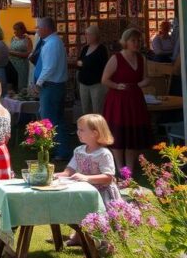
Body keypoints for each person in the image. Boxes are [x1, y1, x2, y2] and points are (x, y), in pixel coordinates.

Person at [55, 114, 120, 247]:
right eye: (78, 129)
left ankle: (106, 243)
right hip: (84, 191)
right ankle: (79, 237)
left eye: (82, 130)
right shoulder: (79, 150)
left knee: (101, 218)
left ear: (95, 133)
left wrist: (86, 178)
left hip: (102, 193)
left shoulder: (103, 153)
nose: (78, 132)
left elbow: (108, 177)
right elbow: (69, 171)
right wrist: (55, 175)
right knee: (80, 214)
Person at [101, 27, 152, 174]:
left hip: (135, 100)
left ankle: (129, 169)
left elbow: (146, 78)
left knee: (133, 135)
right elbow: (104, 79)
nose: (136, 43)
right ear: (125, 42)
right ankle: (120, 167)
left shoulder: (142, 58)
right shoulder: (116, 58)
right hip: (118, 101)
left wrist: (140, 84)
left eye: (138, 40)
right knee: (119, 134)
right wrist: (117, 85)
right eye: (133, 40)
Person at [31, 16, 71, 161]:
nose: (37, 30)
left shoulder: (51, 44)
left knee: (51, 119)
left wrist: (38, 83)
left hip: (51, 86)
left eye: (39, 28)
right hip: (54, 86)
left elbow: (49, 67)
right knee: (56, 118)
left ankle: (60, 151)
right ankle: (58, 149)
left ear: (46, 28)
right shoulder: (52, 42)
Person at [76, 25, 109, 115]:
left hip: (96, 85)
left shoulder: (101, 49)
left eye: (88, 34)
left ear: (95, 35)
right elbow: (79, 62)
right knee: (85, 110)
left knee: (97, 110)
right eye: (86, 34)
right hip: (83, 83)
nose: (86, 36)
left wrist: (84, 64)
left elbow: (101, 66)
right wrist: (84, 64)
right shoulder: (85, 48)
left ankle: (97, 128)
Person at [9, 22, 34, 92]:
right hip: (12, 64)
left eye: (17, 30)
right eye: (14, 30)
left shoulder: (27, 40)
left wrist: (12, 53)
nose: (15, 32)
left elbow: (29, 54)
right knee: (12, 84)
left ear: (22, 30)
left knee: (21, 84)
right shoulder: (13, 38)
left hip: (21, 65)